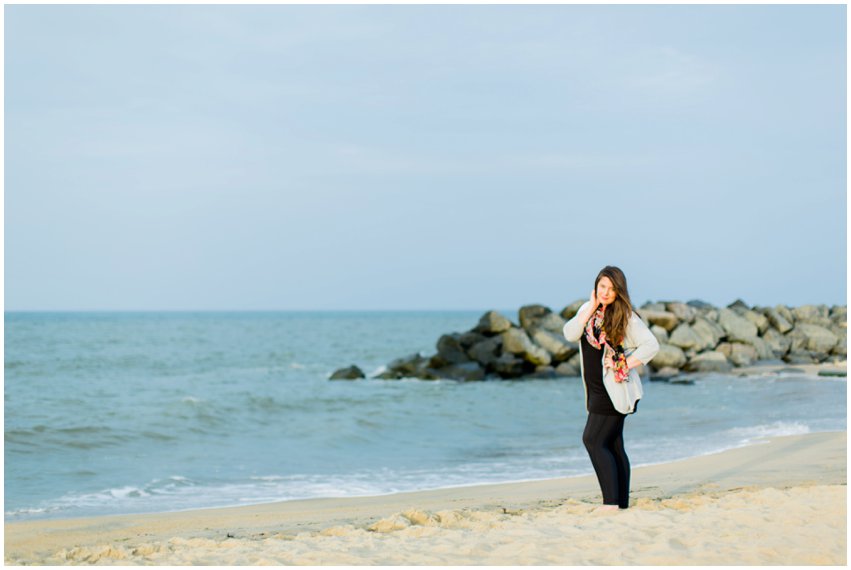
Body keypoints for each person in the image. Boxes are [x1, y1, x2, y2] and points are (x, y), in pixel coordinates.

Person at [563, 265, 659, 511]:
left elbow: (651, 345)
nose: (606, 292)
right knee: (614, 444)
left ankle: (610, 504)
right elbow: (570, 333)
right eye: (602, 286)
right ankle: (621, 504)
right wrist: (591, 307)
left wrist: (623, 362)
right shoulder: (588, 308)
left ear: (619, 292)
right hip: (595, 389)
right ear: (596, 286)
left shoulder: (625, 316)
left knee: (593, 440)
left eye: (612, 289)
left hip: (614, 389)